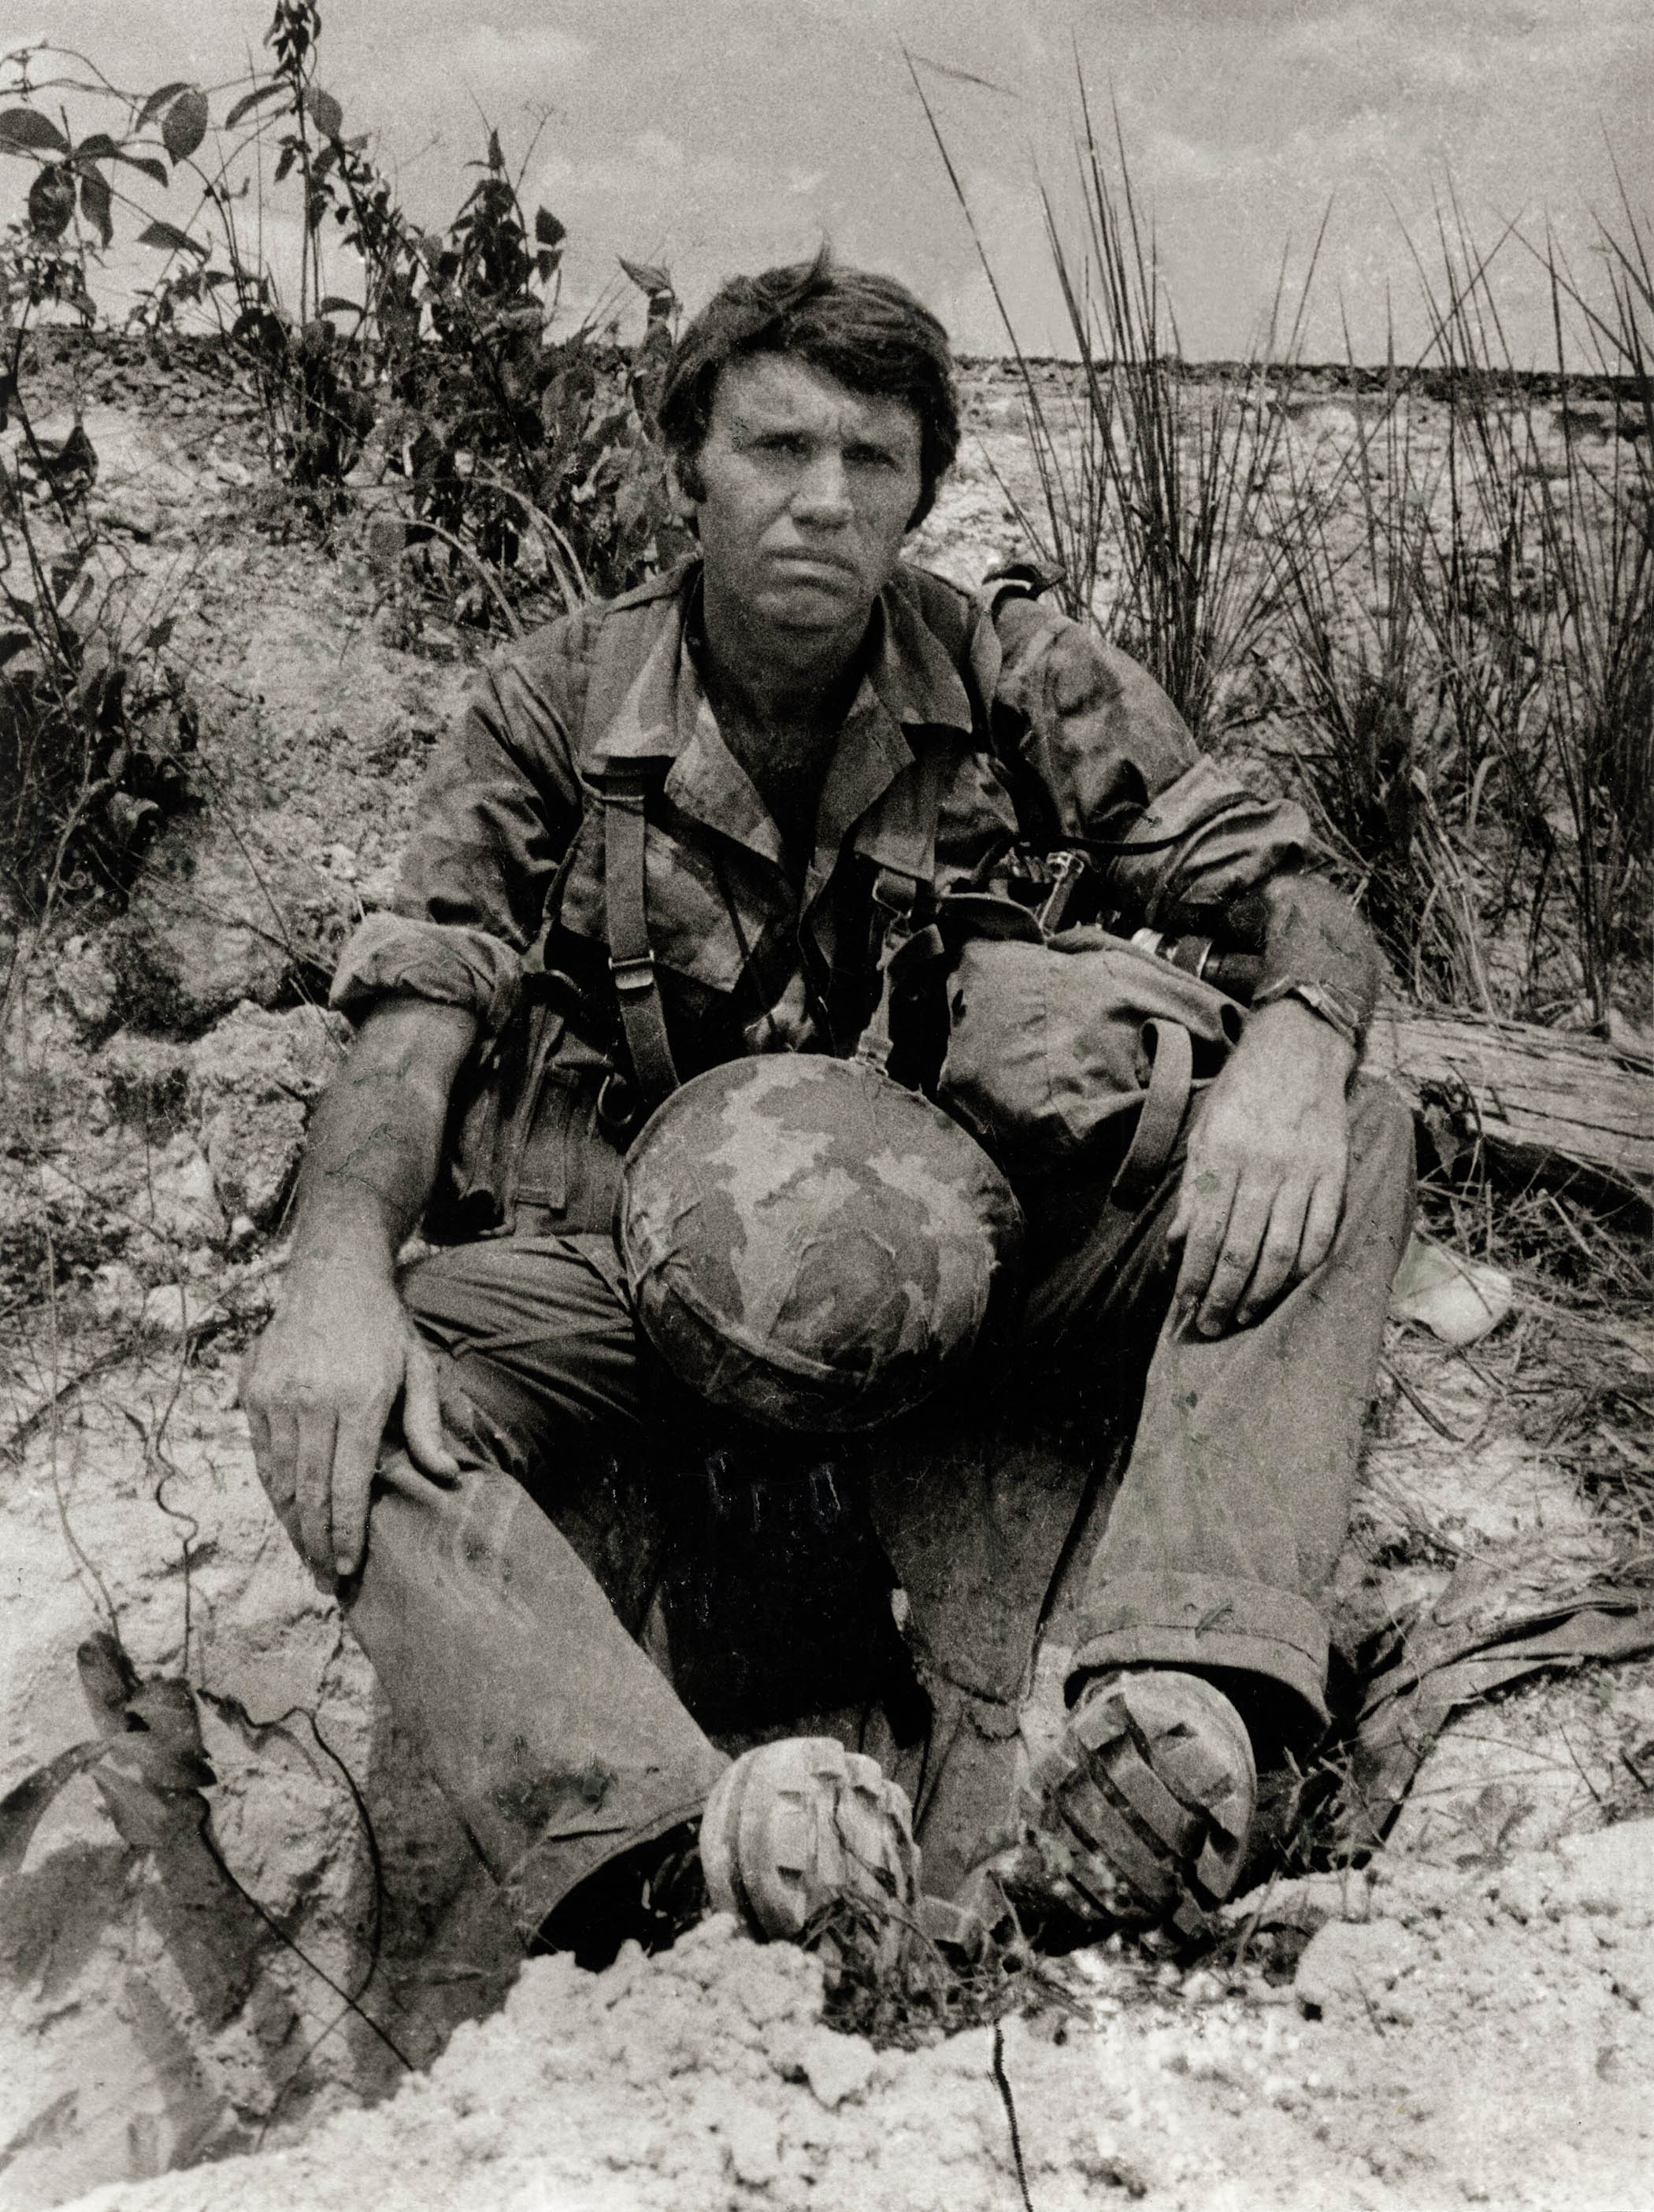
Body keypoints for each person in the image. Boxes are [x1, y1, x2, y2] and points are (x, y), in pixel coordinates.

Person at [243, 252, 1414, 1968]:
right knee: (359, 1384)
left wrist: (1303, 1050)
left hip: (982, 1272)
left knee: (1360, 1135)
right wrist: (332, 1265)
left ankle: (1176, 1713)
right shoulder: (549, 707)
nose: (822, 501)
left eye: (871, 461)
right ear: (684, 471)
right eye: (776, 448)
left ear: (923, 489)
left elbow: (1291, 882)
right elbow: (412, 1034)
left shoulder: (1008, 671)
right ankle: (667, 1844)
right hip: (647, 1290)